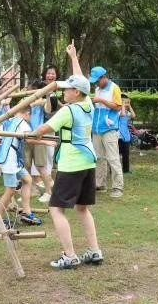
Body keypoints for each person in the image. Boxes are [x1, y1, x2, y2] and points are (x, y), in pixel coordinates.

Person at [33, 42, 102, 269]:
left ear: (76, 93)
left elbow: (43, 130)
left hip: (71, 165)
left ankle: (70, 255)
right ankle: (94, 252)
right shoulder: (88, 104)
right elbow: (81, 79)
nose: (64, 91)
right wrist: (74, 57)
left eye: (67, 89)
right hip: (88, 163)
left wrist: (28, 135)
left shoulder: (67, 111)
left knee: (56, 209)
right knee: (82, 208)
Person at [0, 107, 42, 227]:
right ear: (27, 114)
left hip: (10, 159)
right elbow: (30, 140)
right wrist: (47, 142)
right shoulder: (22, 123)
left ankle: (26, 213)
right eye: (31, 116)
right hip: (9, 161)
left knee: (27, 180)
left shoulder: (9, 120)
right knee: (10, 191)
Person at [88, 65, 124, 198]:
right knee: (98, 158)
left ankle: (118, 187)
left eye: (98, 80)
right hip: (97, 129)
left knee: (113, 158)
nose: (96, 83)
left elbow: (118, 107)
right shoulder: (97, 89)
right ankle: (100, 184)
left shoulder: (114, 88)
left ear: (104, 77)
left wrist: (102, 100)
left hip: (109, 129)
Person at [26, 80, 54, 204]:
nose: (28, 91)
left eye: (31, 89)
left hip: (39, 137)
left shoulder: (43, 102)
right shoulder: (29, 103)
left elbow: (48, 110)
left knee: (41, 166)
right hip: (28, 136)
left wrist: (47, 96)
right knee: (26, 166)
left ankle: (49, 192)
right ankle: (32, 190)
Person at [118, 94, 135, 173]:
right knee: (115, 155)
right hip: (117, 136)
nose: (125, 102)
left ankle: (126, 170)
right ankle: (115, 171)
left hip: (125, 136)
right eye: (124, 101)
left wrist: (129, 105)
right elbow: (122, 114)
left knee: (126, 154)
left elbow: (133, 115)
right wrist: (123, 105)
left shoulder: (127, 112)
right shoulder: (117, 111)